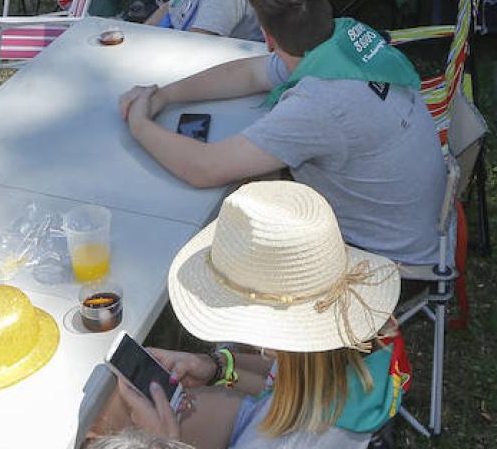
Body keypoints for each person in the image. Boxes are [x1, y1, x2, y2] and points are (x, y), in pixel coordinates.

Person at [118, 0, 446, 266]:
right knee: (257, 178)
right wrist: (166, 95)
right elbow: (250, 74)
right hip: (422, 227)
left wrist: (140, 124)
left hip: (387, 260)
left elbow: (205, 168)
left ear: (267, 36)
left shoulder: (320, 103)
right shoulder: (341, 40)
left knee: (233, 229)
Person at [100, 182, 402, 449]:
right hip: (270, 416)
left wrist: (163, 442)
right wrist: (216, 367)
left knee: (112, 422)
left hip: (271, 428)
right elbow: (286, 379)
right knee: (113, 405)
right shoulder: (343, 351)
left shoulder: (296, 442)